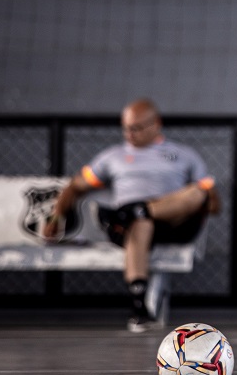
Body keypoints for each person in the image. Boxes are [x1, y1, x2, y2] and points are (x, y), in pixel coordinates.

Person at [43, 98, 219, 332]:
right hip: (128, 227)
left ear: (156, 124)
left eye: (136, 128)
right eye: (126, 128)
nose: (130, 134)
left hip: (173, 223)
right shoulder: (112, 157)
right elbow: (75, 186)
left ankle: (139, 209)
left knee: (198, 191)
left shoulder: (183, 155)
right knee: (140, 221)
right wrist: (56, 217)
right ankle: (139, 306)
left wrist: (205, 199)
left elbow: (213, 203)